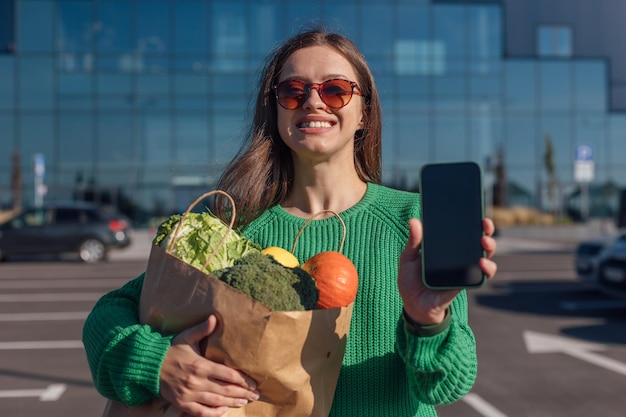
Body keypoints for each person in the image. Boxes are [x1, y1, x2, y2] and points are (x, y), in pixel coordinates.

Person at [83, 26, 498, 417]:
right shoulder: (237, 228)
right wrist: (158, 363)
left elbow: (446, 387)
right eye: (293, 91)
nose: (313, 102)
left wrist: (426, 321)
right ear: (276, 110)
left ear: (364, 115)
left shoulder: (412, 222)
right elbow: (111, 313)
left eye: (335, 91)